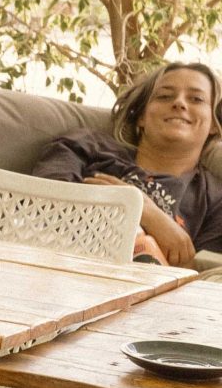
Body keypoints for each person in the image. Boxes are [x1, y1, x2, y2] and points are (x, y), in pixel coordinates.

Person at [29, 59, 222, 264]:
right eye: (164, 96)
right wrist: (137, 208)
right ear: (141, 117)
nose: (179, 103)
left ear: (214, 125)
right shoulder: (87, 146)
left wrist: (147, 213)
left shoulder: (214, 198)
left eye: (196, 99)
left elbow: (202, 273)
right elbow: (43, 205)